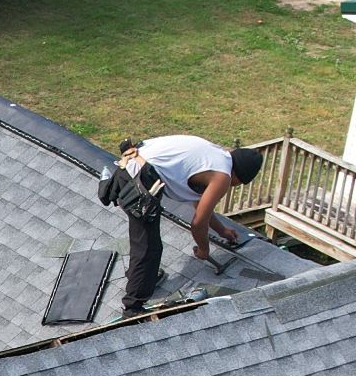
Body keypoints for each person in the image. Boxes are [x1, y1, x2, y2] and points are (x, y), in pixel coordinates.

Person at [108, 135, 265, 315]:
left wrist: (222, 230)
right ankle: (133, 307)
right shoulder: (223, 177)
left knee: (142, 238)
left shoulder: (217, 156)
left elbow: (200, 206)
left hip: (132, 163)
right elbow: (198, 223)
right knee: (149, 247)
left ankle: (141, 276)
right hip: (138, 178)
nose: (233, 187)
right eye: (237, 184)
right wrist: (204, 249)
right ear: (239, 177)